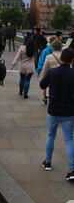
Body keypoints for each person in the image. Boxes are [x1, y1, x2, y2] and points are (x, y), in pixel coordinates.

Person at [40, 48, 74, 181]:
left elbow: (42, 85)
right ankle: (71, 170)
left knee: (51, 135)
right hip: (69, 111)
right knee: (69, 140)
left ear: (60, 59)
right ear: (72, 60)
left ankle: (47, 162)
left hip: (53, 110)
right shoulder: (73, 74)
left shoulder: (52, 72)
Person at [40, 38, 63, 105]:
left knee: (53, 93)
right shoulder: (64, 55)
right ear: (61, 47)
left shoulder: (49, 57)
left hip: (52, 79)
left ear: (52, 47)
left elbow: (45, 69)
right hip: (63, 77)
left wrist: (44, 79)